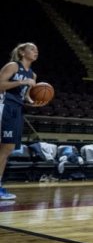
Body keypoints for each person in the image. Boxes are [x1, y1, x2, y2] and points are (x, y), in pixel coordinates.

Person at [0, 43, 46, 201]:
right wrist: (20, 82)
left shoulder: (32, 75)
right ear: (21, 52)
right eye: (32, 49)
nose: (36, 51)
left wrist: (34, 102)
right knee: (5, 149)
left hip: (17, 110)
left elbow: (25, 98)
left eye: (37, 50)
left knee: (7, 149)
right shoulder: (13, 66)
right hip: (4, 106)